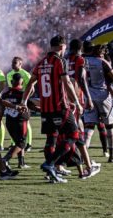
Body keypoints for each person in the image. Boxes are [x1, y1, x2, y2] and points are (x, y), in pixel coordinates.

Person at [22, 36, 84, 184]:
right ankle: (50, 163)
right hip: (60, 107)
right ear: (62, 46)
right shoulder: (59, 61)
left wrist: (23, 101)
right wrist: (76, 102)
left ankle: (52, 174)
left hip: (46, 109)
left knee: (51, 139)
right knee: (74, 134)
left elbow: (30, 83)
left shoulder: (41, 63)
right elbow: (67, 82)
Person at [66, 39, 100, 179]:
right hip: (76, 98)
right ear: (81, 48)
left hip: (65, 97)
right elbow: (81, 79)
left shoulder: (65, 60)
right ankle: (86, 166)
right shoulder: (80, 59)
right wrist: (88, 97)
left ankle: (61, 165)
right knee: (77, 133)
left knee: (68, 131)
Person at [85, 44, 113, 164]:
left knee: (89, 127)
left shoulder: (84, 60)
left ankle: (83, 157)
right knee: (109, 126)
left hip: (89, 95)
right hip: (103, 95)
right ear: (102, 52)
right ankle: (112, 156)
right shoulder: (103, 62)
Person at [5, 56, 33, 152]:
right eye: (12, 63)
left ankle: (28, 144)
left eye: (14, 63)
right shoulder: (9, 74)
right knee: (13, 122)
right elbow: (10, 88)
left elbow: (31, 88)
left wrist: (25, 99)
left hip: (23, 100)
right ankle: (14, 143)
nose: (12, 64)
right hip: (14, 100)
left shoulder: (26, 74)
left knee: (26, 122)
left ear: (20, 64)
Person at [1, 73, 29, 169]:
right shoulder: (22, 94)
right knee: (21, 143)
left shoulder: (5, 94)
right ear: (21, 82)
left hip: (9, 122)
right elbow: (31, 104)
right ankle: (5, 159)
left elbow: (1, 108)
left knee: (18, 142)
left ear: (12, 81)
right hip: (21, 121)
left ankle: (21, 162)